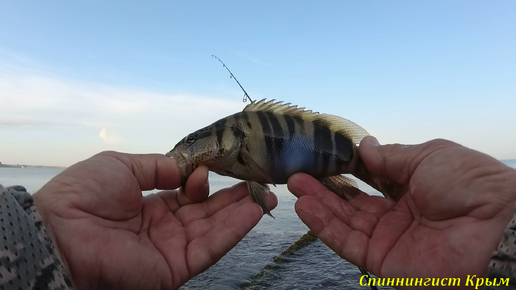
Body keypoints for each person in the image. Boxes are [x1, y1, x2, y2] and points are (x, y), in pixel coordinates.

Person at [0, 136, 515, 289]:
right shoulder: (235, 159)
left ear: (216, 146)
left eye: (198, 146)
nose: (190, 154)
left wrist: (50, 242)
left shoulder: (233, 153)